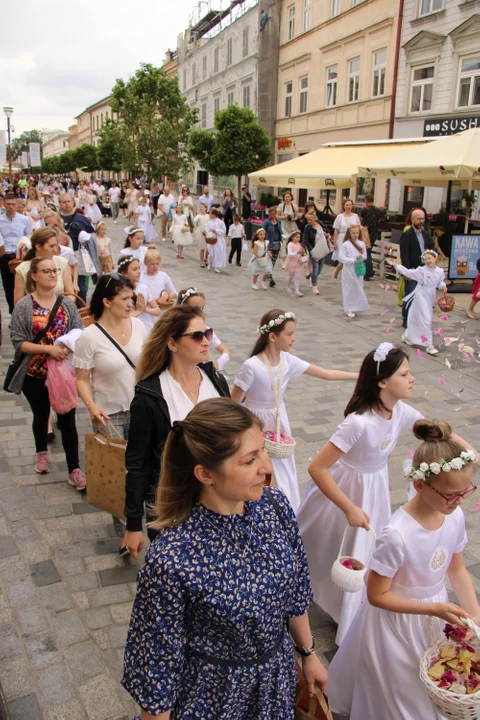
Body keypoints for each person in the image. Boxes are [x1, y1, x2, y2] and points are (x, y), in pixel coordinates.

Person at [122, 398, 328, 719]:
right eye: (249, 461)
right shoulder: (173, 557)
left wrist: (308, 652)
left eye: (263, 450)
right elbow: (157, 672)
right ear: (206, 474)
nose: (267, 467)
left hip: (275, 684)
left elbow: (295, 588)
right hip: (214, 699)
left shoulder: (273, 506)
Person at [328, 418, 480, 720]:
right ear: (420, 485)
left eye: (467, 492)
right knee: (400, 690)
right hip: (396, 623)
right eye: (451, 494)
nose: (458, 501)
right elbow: (376, 595)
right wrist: (434, 608)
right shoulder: (397, 534)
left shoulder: (455, 516)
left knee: (432, 680)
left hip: (436, 611)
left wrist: (474, 614)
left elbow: (458, 569)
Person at [297, 343, 424, 644]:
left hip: (374, 487)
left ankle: (350, 610)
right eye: (405, 373)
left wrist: (465, 453)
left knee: (362, 549)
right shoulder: (358, 423)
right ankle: (305, 590)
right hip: (345, 489)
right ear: (382, 381)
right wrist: (348, 508)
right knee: (325, 544)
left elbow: (429, 428)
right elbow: (317, 468)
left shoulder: (400, 410)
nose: (412, 378)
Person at [123, 306, 230, 559]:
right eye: (196, 336)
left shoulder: (216, 380)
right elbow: (137, 464)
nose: (206, 341)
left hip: (222, 502)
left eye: (208, 333)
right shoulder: (150, 395)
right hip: (173, 509)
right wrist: (133, 525)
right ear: (172, 342)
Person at [232, 309, 358, 511]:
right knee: (260, 464)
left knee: (282, 463)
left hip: (279, 419)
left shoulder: (288, 361)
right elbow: (233, 403)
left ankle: (286, 505)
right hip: (254, 420)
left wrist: (360, 376)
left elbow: (326, 374)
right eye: (289, 334)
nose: (294, 339)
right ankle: (260, 506)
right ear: (273, 336)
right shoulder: (252, 366)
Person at [74, 273, 147, 550]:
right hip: (109, 413)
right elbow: (81, 379)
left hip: (141, 408)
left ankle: (140, 520)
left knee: (141, 468)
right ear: (106, 301)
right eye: (125, 298)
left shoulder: (139, 326)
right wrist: (92, 407)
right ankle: (125, 531)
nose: (132, 303)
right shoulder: (89, 337)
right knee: (118, 472)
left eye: (132, 297)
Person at [9, 257, 85, 488]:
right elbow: (18, 342)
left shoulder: (66, 304)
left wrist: (67, 345)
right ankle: (41, 452)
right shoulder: (24, 306)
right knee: (41, 415)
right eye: (46, 271)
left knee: (68, 420)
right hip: (34, 373)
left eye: (55, 271)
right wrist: (47, 349)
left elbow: (79, 330)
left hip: (63, 374)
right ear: (34, 276)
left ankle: (74, 469)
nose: (52, 275)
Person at [388, 249, 446, 355]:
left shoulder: (439, 271)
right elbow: (409, 273)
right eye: (425, 259)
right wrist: (396, 265)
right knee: (426, 319)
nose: (427, 261)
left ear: (435, 258)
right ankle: (429, 345)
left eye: (429, 258)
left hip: (430, 296)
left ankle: (408, 336)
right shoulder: (422, 270)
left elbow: (439, 283)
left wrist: (443, 286)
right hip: (421, 295)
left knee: (415, 316)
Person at [14, 227, 73, 305]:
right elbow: (18, 301)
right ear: (38, 246)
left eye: (56, 246)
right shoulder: (22, 268)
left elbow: (71, 294)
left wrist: (60, 307)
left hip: (59, 311)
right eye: (51, 246)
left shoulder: (62, 263)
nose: (55, 250)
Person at [177, 287, 230, 371]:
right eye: (196, 308)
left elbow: (225, 351)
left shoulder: (205, 329)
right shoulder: (175, 330)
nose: (201, 312)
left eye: (202, 308)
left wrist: (216, 366)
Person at [59, 194, 98, 303]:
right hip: (61, 256)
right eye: (64, 202)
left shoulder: (82, 219)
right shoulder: (57, 218)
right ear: (60, 204)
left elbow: (93, 236)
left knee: (81, 288)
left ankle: (81, 312)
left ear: (73, 202)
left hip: (79, 257)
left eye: (68, 201)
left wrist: (86, 241)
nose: (66, 204)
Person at [399, 208, 432, 328]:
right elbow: (404, 255)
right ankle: (406, 319)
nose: (421, 221)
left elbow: (430, 250)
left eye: (423, 219)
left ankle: (418, 318)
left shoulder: (425, 234)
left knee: (422, 296)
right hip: (412, 270)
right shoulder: (407, 235)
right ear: (412, 219)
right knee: (410, 295)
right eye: (418, 219)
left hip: (425, 270)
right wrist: (407, 272)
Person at [0, 194, 32, 313]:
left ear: (17, 205)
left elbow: (29, 234)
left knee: (22, 284)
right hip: (5, 255)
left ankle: (23, 312)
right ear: (4, 204)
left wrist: (24, 242)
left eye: (13, 204)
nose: (11, 207)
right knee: (8, 286)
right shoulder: (0, 220)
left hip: (20, 254)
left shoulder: (24, 219)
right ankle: (13, 311)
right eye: (8, 204)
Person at [118, 255, 162, 333]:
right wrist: (138, 310)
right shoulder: (119, 292)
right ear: (124, 273)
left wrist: (145, 309)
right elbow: (119, 318)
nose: (139, 271)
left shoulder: (144, 288)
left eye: (139, 268)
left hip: (146, 328)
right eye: (135, 269)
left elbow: (157, 311)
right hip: (129, 329)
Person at [338, 225, 369, 319]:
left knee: (358, 286)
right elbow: (341, 257)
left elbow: (365, 255)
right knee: (348, 288)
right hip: (348, 269)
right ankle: (348, 308)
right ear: (349, 233)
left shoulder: (362, 244)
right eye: (353, 233)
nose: (355, 235)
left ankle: (356, 306)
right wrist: (352, 260)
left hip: (358, 268)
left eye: (357, 233)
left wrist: (360, 258)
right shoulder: (345, 244)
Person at [332, 198, 360, 279]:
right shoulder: (340, 217)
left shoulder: (355, 216)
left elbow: (359, 227)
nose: (348, 207)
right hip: (342, 238)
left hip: (352, 238)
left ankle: (348, 274)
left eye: (350, 205)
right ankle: (338, 270)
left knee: (351, 256)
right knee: (343, 258)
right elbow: (336, 230)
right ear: (344, 206)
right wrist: (335, 242)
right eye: (347, 205)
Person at [360, 192, 385, 280]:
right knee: (368, 251)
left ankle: (368, 272)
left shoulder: (364, 210)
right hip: (374, 233)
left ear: (366, 200)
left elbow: (361, 220)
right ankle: (369, 271)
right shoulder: (378, 210)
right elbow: (381, 219)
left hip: (366, 232)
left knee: (366, 252)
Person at [301, 211, 326, 296]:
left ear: (315, 219)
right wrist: (307, 249)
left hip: (322, 248)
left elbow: (327, 232)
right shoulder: (307, 227)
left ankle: (312, 277)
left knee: (320, 267)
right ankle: (315, 285)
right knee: (315, 267)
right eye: (307, 220)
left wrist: (327, 235)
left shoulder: (321, 225)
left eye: (310, 219)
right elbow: (305, 239)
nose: (309, 221)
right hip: (313, 249)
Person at [262, 207, 283, 287]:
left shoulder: (278, 221)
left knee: (273, 262)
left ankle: (268, 275)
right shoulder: (266, 222)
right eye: (270, 214)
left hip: (277, 243)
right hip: (269, 244)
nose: (272, 216)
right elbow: (262, 231)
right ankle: (270, 278)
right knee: (269, 262)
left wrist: (283, 235)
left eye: (273, 214)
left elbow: (280, 230)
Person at [205, 207, 226, 273]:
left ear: (214, 214)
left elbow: (224, 231)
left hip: (218, 239)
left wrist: (216, 230)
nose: (209, 215)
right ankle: (209, 263)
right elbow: (207, 230)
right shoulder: (209, 222)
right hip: (211, 239)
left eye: (210, 213)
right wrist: (209, 234)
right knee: (211, 253)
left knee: (217, 253)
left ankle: (216, 266)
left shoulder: (220, 222)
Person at [284, 230, 304, 297]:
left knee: (297, 276)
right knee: (291, 276)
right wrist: (297, 253)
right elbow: (289, 254)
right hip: (292, 262)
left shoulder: (298, 244)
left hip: (298, 262)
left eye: (299, 237)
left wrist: (302, 253)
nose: (298, 238)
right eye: (297, 237)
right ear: (292, 237)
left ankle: (297, 290)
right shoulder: (290, 244)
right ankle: (288, 286)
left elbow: (300, 251)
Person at [194, 202, 210, 268]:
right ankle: (202, 261)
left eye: (202, 207)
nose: (200, 208)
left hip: (208, 232)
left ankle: (206, 258)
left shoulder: (208, 216)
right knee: (202, 247)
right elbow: (194, 221)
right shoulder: (199, 216)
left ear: (205, 208)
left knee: (208, 247)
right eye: (200, 207)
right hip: (201, 232)